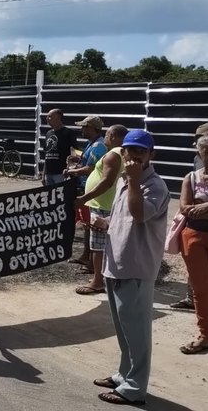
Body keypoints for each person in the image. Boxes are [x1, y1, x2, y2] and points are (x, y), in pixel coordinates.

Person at [94, 129, 169, 407]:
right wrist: (104, 224)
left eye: (141, 150)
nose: (135, 155)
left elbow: (139, 215)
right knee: (124, 329)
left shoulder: (153, 185)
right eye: (130, 150)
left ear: (151, 155)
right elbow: (123, 218)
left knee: (137, 333)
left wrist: (135, 181)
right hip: (117, 263)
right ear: (122, 152)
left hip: (137, 267)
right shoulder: (126, 182)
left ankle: (135, 388)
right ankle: (123, 374)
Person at [177, 133, 208, 354]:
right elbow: (185, 208)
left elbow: (196, 208)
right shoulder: (191, 178)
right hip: (193, 237)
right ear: (199, 153)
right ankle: (206, 334)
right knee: (201, 287)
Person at [74, 124, 127, 295]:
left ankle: (98, 281)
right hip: (107, 203)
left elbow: (106, 182)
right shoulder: (123, 153)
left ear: (113, 136)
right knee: (109, 244)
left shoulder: (113, 155)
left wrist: (84, 198)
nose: (105, 136)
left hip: (102, 205)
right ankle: (106, 277)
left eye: (108, 134)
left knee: (98, 246)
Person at [171, 122, 208, 310]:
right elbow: (186, 206)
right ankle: (193, 302)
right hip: (196, 230)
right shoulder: (194, 169)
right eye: (206, 149)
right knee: (198, 275)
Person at [65, 116, 107, 270]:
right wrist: (77, 161)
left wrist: (73, 171)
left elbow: (90, 169)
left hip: (89, 191)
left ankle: (91, 262)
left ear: (92, 128)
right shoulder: (92, 144)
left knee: (91, 224)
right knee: (86, 225)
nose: (81, 130)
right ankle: (85, 256)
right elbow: (87, 164)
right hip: (84, 188)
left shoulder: (98, 146)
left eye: (84, 127)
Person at [42, 108, 77, 185]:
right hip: (49, 174)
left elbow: (75, 154)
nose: (47, 118)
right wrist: (43, 174)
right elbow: (46, 155)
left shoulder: (69, 133)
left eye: (49, 116)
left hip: (61, 174)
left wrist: (69, 170)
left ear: (57, 117)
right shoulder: (48, 133)